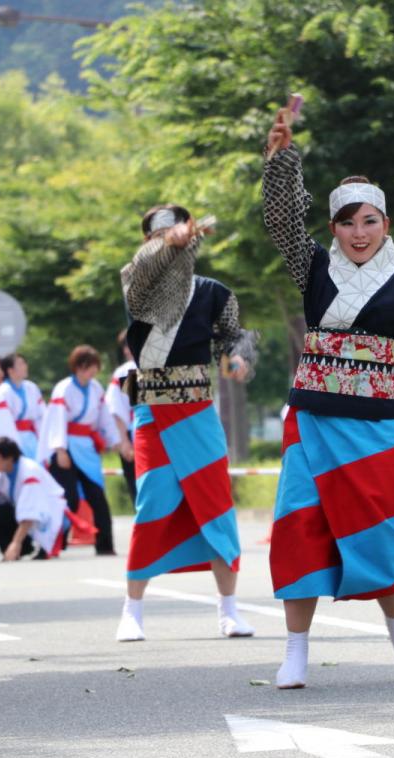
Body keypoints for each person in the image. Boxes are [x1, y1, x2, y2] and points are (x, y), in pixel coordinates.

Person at [263, 99, 394, 689]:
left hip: (374, 424)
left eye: (369, 222)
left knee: (377, 529)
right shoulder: (313, 268)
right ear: (332, 229)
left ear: (386, 224)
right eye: (347, 223)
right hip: (311, 417)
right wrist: (281, 159)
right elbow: (280, 221)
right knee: (297, 526)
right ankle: (295, 649)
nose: (358, 233)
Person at [114, 204, 259, 643]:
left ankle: (228, 610)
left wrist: (240, 357)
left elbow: (237, 334)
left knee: (216, 502)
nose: (171, 244)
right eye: (158, 238)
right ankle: (132, 609)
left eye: (177, 234)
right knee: (153, 501)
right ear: (147, 244)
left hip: (198, 407)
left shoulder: (214, 293)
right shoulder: (137, 285)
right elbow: (144, 269)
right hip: (152, 410)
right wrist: (167, 244)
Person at [38, 345, 120, 555]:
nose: (91, 371)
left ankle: (105, 545)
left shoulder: (96, 389)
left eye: (93, 366)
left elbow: (105, 418)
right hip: (66, 446)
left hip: (87, 447)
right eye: (87, 366)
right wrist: (60, 449)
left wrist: (115, 441)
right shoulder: (64, 388)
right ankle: (52, 544)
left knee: (97, 498)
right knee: (68, 498)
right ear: (78, 367)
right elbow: (56, 420)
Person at [0, 353, 44, 460]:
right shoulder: (4, 392)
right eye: (20, 364)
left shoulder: (31, 388)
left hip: (32, 438)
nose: (25, 366)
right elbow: (2, 424)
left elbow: (41, 415)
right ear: (10, 370)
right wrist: (12, 448)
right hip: (15, 438)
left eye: (24, 363)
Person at [104, 331, 138, 503]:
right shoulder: (126, 371)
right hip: (135, 433)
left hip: (161, 433)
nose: (126, 350)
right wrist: (124, 441)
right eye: (125, 346)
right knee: (136, 485)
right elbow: (117, 409)